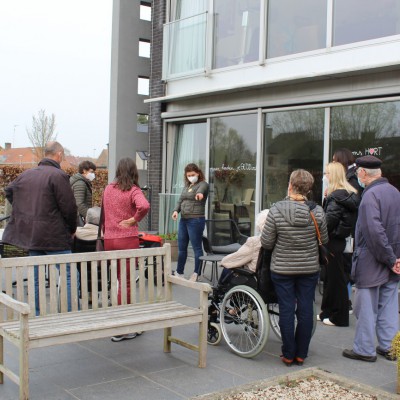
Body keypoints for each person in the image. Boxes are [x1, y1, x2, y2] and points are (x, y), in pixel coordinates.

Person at [261, 169, 328, 367]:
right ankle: (301, 354)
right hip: (308, 269)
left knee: (286, 309)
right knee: (307, 308)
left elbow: (266, 242)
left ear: (290, 185)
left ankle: (288, 354)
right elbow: (323, 240)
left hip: (282, 269)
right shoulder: (317, 211)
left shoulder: (276, 209)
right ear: (309, 188)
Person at [3, 141, 78, 315]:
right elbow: (69, 207)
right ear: (59, 154)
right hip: (54, 237)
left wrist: (24, 212)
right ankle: (69, 313)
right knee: (69, 274)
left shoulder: (25, 175)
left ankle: (36, 314)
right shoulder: (58, 176)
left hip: (32, 236)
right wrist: (72, 228)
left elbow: (9, 192)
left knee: (35, 277)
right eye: (64, 155)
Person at [342, 155, 400, 362]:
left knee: (365, 307)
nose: (357, 175)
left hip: (373, 261)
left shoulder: (370, 196)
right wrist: (396, 259)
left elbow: (373, 233)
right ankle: (390, 347)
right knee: (389, 305)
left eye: (357, 172)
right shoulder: (395, 192)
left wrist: (389, 258)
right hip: (393, 261)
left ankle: (364, 349)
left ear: (363, 173)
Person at [102, 157, 150, 342]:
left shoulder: (108, 189)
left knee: (115, 281)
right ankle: (124, 327)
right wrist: (133, 219)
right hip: (126, 240)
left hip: (109, 240)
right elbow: (144, 206)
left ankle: (118, 320)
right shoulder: (133, 190)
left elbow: (105, 213)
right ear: (133, 172)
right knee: (127, 282)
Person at [318, 162, 359, 327]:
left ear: (332, 175)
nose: (324, 176)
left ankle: (339, 317)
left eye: (327, 173)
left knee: (336, 280)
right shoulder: (345, 195)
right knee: (330, 278)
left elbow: (329, 221)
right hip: (339, 241)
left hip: (333, 241)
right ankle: (327, 312)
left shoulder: (336, 196)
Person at [333, 148, 363, 313]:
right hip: (348, 231)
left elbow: (351, 206)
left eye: (334, 160)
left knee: (344, 267)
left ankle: (346, 304)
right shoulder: (352, 179)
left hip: (348, 232)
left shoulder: (351, 180)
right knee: (345, 266)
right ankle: (346, 302)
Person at [171, 163, 209, 282]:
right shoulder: (187, 186)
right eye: (188, 175)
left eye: (193, 174)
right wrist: (176, 211)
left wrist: (199, 195)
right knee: (182, 247)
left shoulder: (203, 184)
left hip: (196, 220)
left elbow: (201, 191)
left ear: (198, 173)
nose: (191, 177)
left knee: (197, 247)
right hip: (184, 220)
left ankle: (196, 273)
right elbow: (180, 200)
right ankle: (179, 272)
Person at [218, 209, 269, 284]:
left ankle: (219, 290)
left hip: (254, 278)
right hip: (270, 279)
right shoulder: (282, 243)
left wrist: (224, 261)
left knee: (228, 265)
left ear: (259, 225)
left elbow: (235, 258)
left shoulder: (254, 242)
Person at [70, 160, 97, 225]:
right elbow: (79, 204)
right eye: (91, 172)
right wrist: (89, 216)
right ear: (84, 171)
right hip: (79, 218)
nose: (93, 174)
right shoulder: (80, 183)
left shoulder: (82, 182)